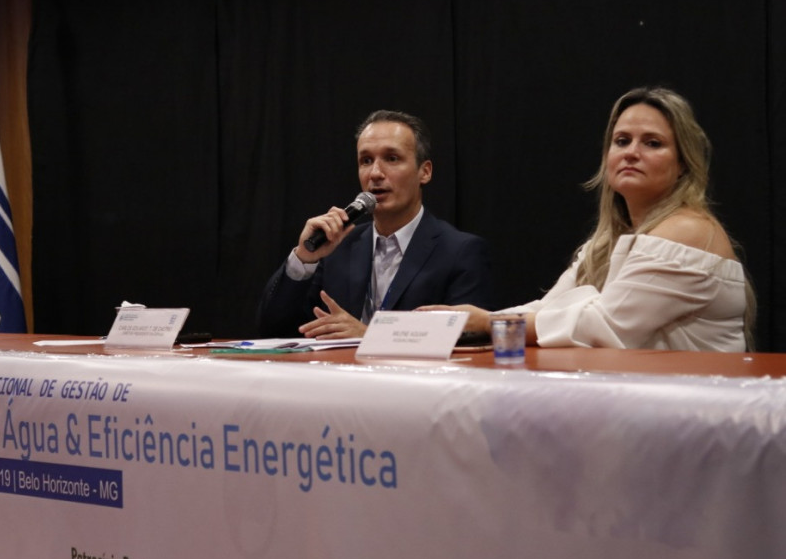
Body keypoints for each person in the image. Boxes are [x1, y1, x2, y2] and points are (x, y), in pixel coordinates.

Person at [423, 86, 754, 352]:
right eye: (621, 141)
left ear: (683, 164)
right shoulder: (605, 243)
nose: (631, 152)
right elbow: (549, 309)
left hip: (697, 409)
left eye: (652, 143)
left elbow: (603, 326)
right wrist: (465, 320)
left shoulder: (688, 229)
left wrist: (487, 323)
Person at [257, 109, 493, 339]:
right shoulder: (336, 247)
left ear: (425, 172)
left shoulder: (460, 251)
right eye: (366, 160)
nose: (375, 173)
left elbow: (468, 341)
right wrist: (304, 259)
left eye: (392, 158)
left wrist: (369, 335)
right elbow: (273, 330)